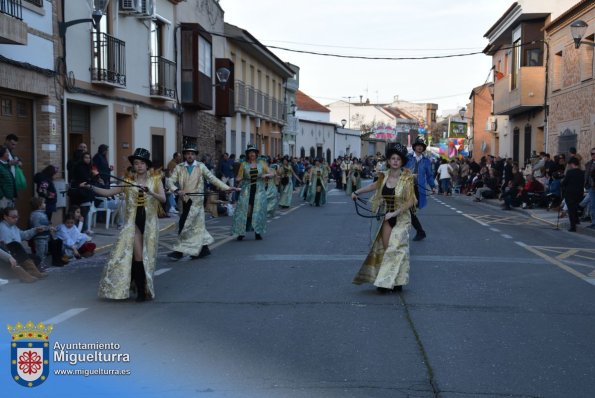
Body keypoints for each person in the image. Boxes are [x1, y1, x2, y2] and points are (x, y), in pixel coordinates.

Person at [85, 148, 166, 301]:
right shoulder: (128, 182)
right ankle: (141, 292)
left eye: (142, 163)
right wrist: (90, 187)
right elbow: (107, 192)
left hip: (149, 224)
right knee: (138, 256)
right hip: (133, 224)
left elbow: (163, 199)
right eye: (136, 163)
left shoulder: (155, 180)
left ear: (147, 165)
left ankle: (138, 285)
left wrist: (150, 192)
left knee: (148, 257)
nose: (139, 166)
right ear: (133, 166)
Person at [351, 143, 417, 293]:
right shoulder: (384, 176)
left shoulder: (407, 179)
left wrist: (394, 213)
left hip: (401, 218)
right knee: (388, 249)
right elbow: (373, 186)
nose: (395, 161)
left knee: (396, 248)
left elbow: (411, 201)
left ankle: (385, 282)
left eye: (398, 159)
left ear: (401, 162)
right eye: (392, 158)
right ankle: (395, 280)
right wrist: (357, 192)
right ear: (388, 161)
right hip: (386, 217)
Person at [167, 144, 237, 260]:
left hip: (197, 202)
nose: (190, 156)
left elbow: (212, 179)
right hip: (184, 201)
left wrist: (226, 187)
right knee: (196, 226)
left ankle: (179, 252)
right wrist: (177, 190)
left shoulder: (201, 166)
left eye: (192, 154)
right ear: (184, 155)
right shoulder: (179, 167)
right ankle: (203, 249)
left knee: (185, 224)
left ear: (195, 156)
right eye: (188, 154)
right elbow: (170, 181)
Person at [231, 145, 274, 241]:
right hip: (246, 191)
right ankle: (241, 232)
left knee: (258, 211)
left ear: (256, 154)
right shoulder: (244, 164)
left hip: (259, 191)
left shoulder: (262, 163)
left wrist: (266, 175)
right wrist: (238, 179)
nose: (252, 154)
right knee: (245, 212)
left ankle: (257, 232)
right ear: (247, 154)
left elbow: (272, 174)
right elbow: (239, 177)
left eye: (253, 152)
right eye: (250, 152)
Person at [0, 207, 48, 282]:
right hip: (6, 257)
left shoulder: (13, 227)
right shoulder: (2, 228)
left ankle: (30, 271)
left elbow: (23, 235)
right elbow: (6, 247)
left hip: (15, 254)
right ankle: (27, 273)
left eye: (17, 216)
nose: (16, 219)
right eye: (13, 217)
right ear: (5, 217)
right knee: (15, 245)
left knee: (36, 258)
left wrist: (35, 230)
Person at [405, 136, 436, 241]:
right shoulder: (408, 158)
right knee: (408, 211)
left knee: (410, 211)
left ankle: (419, 231)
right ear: (414, 147)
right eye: (418, 145)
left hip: (419, 189)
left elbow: (429, 175)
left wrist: (433, 186)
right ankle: (420, 231)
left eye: (421, 146)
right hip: (406, 188)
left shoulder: (426, 161)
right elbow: (401, 170)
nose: (419, 148)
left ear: (423, 148)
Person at [561, 157, 585, 232]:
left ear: (572, 164)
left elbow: (564, 182)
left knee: (571, 209)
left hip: (570, 193)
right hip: (579, 193)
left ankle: (573, 226)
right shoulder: (582, 172)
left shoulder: (570, 172)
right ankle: (577, 220)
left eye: (570, 164)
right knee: (575, 207)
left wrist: (561, 183)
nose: (570, 166)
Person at [29, 197, 52, 264]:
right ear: (39, 205)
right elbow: (37, 227)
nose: (45, 204)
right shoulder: (35, 215)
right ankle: (38, 266)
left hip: (45, 237)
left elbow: (44, 223)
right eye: (43, 203)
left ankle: (41, 264)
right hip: (39, 237)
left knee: (45, 252)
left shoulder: (42, 213)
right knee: (40, 253)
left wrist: (49, 226)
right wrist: (48, 228)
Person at [586, 148, 595, 230]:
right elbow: (587, 175)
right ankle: (593, 222)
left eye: (594, 153)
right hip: (591, 187)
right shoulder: (589, 163)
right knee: (592, 205)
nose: (593, 155)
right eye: (592, 154)